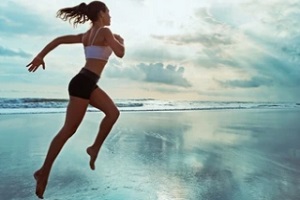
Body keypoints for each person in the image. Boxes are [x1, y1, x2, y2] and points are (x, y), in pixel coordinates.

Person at [26, 1, 125, 199]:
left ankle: (94, 148)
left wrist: (40, 55)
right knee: (68, 130)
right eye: (109, 12)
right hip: (83, 83)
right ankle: (43, 172)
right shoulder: (105, 31)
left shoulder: (86, 36)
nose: (111, 16)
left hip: (86, 82)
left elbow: (59, 40)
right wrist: (120, 41)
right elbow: (120, 53)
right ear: (101, 13)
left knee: (113, 113)